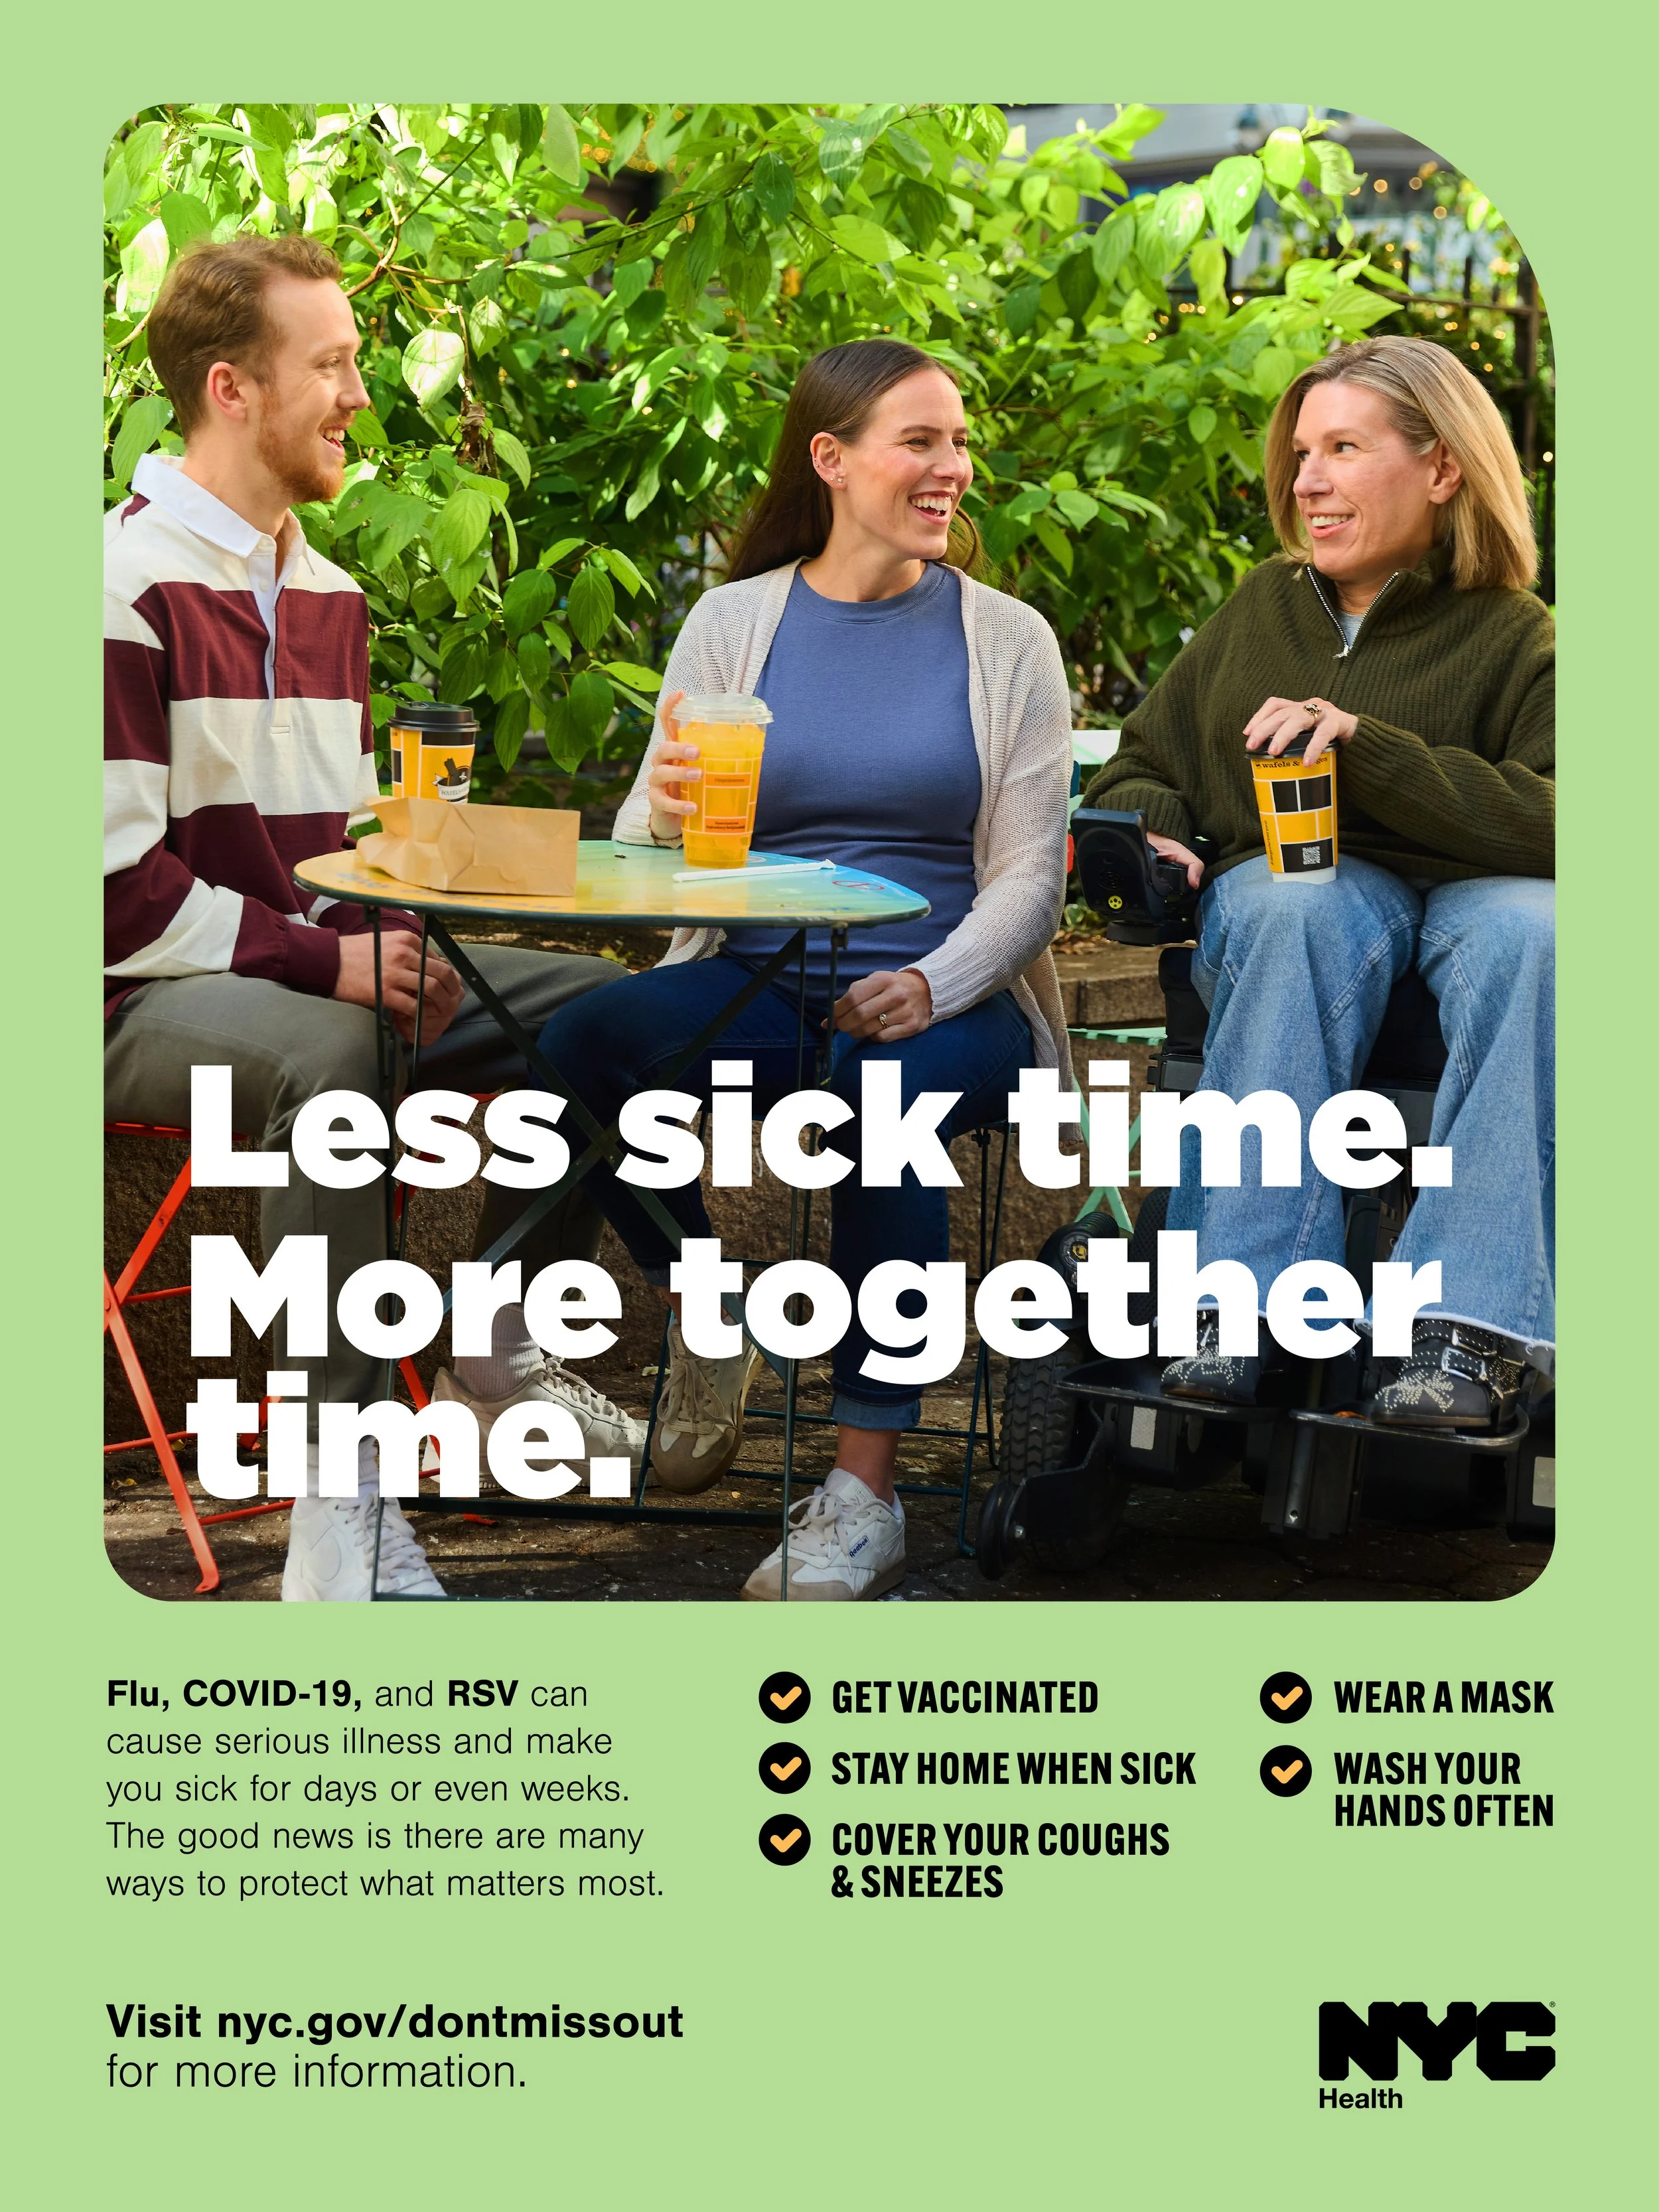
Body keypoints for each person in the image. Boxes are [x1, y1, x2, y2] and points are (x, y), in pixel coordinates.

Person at [104, 234, 640, 1601]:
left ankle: (490, 1362)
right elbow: (109, 895)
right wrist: (333, 962)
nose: (359, 394)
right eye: (330, 364)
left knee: (616, 1014)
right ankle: (341, 1514)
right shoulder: (113, 589)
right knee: (332, 1063)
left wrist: (438, 902)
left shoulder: (328, 594)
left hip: (298, 966)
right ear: (232, 389)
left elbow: (335, 854)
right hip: (128, 1001)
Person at [532, 339, 1074, 1599]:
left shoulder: (1009, 642)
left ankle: (862, 1495)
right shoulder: (737, 621)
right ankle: (712, 1312)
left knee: (885, 1099)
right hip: (763, 980)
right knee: (578, 1047)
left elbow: (1032, 883)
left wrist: (936, 984)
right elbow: (641, 841)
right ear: (832, 462)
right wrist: (663, 808)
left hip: (954, 997)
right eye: (920, 442)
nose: (952, 469)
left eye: (957, 441)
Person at [1087, 335, 1553, 1429]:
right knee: (1300, 903)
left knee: (1539, 931)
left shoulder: (1516, 638)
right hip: (1302, 898)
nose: (1307, 481)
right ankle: (1242, 1308)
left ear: (1443, 469)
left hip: (1477, 902)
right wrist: (1165, 839)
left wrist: (1368, 752)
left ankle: (1467, 1334)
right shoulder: (1262, 611)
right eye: (1303, 453)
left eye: (1344, 448)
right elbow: (1139, 768)